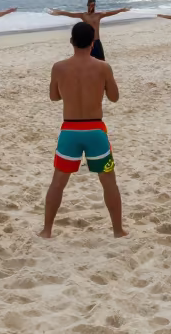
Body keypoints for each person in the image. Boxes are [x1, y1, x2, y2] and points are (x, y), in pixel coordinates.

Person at [40, 22, 127, 239]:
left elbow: (53, 97)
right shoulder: (103, 67)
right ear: (93, 42)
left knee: (58, 182)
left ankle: (47, 230)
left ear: (71, 42)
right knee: (108, 181)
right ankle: (118, 230)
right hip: (96, 131)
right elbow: (115, 98)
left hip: (70, 131)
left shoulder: (58, 67)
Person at [47, 0, 130, 61]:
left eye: (93, 5)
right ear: (87, 5)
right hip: (88, 42)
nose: (92, 7)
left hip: (97, 41)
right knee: (87, 60)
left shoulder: (99, 15)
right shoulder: (83, 15)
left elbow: (111, 12)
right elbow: (69, 14)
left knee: (101, 61)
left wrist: (121, 10)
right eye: (90, 5)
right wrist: (57, 12)